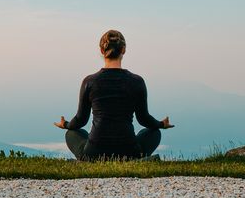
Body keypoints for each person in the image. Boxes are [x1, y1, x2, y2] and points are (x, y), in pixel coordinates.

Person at [55, 29, 173, 160]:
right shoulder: (137, 81)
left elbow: (80, 120)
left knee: (72, 133)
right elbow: (144, 119)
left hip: (94, 152)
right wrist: (162, 124)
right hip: (130, 152)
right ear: (123, 50)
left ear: (101, 51)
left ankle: (88, 160)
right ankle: (136, 159)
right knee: (154, 132)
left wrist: (65, 124)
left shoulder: (89, 81)